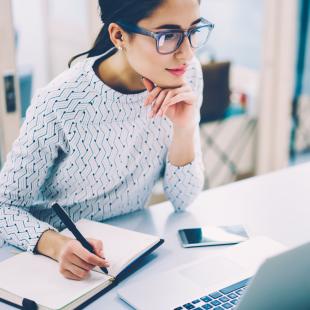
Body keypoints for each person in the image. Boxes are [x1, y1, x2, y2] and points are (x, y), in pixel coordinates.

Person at [0, 0, 214, 280]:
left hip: (130, 255)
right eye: (168, 36)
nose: (186, 53)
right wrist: (56, 245)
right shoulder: (60, 102)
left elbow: (183, 199)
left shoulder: (185, 75)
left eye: (193, 31)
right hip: (52, 265)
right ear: (118, 35)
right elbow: (4, 208)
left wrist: (185, 128)